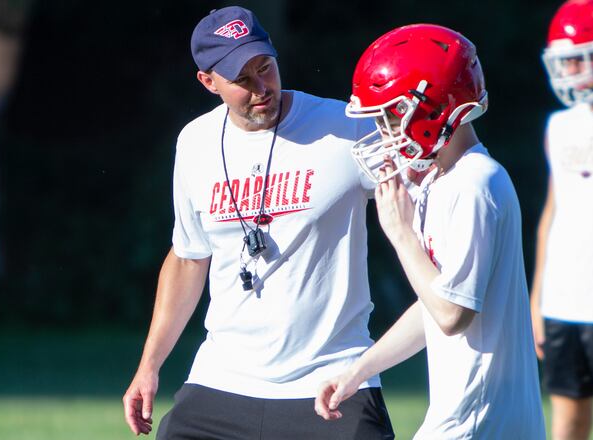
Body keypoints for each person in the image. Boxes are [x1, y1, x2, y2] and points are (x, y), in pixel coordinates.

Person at [122, 6, 395, 439]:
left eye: (265, 68)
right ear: (208, 82)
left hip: (332, 382)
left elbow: (427, 191)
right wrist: (149, 365)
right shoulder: (194, 143)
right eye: (242, 80)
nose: (261, 87)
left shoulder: (346, 127)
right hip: (223, 379)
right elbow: (190, 257)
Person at [315, 24, 546, 439]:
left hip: (478, 423)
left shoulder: (474, 184)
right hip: (470, 419)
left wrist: (400, 233)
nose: (383, 131)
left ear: (431, 107)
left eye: (389, 115)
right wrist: (359, 371)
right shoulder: (442, 182)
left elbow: (452, 315)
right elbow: (435, 303)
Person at [533, 1, 593, 438]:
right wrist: (538, 296)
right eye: (566, 60)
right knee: (568, 419)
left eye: (582, 57)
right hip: (566, 300)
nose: (572, 70)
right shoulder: (559, 125)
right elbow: (553, 211)